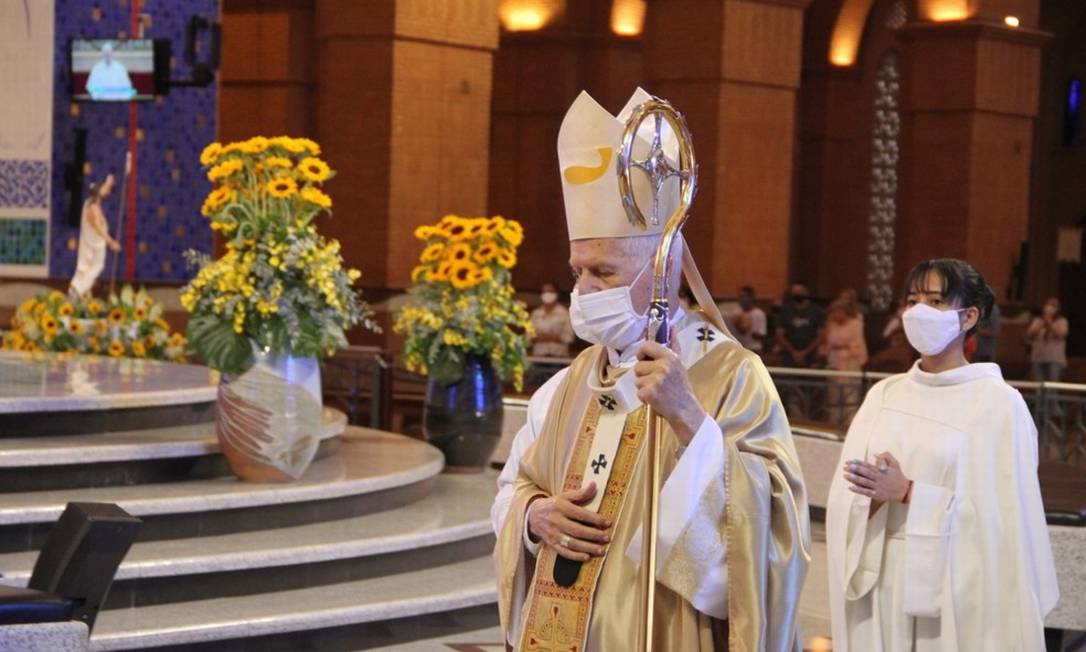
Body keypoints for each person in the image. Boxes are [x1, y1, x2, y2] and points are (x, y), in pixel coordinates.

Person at [492, 88, 809, 651]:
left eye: (604, 274)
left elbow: (777, 526)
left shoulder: (731, 374)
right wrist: (535, 517)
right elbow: (516, 483)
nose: (584, 290)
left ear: (662, 274)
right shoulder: (568, 384)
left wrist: (690, 420)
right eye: (578, 271)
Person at [826, 258, 1058, 651]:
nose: (918, 312)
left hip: (953, 595)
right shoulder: (884, 396)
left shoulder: (998, 405)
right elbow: (844, 498)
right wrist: (869, 495)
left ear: (968, 316)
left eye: (935, 301)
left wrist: (910, 492)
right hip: (880, 578)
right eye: (912, 300)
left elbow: (1004, 525)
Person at [70, 175, 122, 298]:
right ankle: (78, 289)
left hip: (97, 245)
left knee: (93, 268)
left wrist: (108, 182)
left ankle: (82, 291)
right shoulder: (92, 208)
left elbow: (103, 190)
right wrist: (111, 242)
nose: (106, 190)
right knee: (95, 267)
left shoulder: (91, 204)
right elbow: (98, 228)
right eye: (103, 188)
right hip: (94, 245)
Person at [821, 298, 868, 425]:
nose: (835, 315)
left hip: (850, 362)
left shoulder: (856, 324)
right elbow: (828, 341)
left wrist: (844, 351)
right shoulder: (831, 324)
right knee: (833, 398)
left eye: (838, 312)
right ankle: (834, 423)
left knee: (849, 397)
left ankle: (849, 425)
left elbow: (857, 344)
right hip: (833, 362)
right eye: (834, 312)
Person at [775, 282, 824, 367]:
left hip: (810, 356)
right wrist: (794, 352)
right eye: (795, 291)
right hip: (789, 355)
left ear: (806, 292)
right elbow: (780, 334)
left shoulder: (817, 311)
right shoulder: (785, 310)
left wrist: (804, 353)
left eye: (800, 291)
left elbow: (821, 335)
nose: (797, 293)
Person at [1026, 298, 1069, 382]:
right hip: (1038, 358)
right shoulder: (1038, 320)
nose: (1049, 308)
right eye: (1048, 305)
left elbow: (1060, 334)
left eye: (1053, 306)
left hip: (1054, 359)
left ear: (1057, 308)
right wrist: (1043, 322)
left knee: (1051, 388)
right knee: (1039, 388)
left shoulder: (1062, 321)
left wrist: (1049, 323)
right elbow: (1030, 334)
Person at [529, 282, 575, 358]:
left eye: (550, 291)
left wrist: (551, 337)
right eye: (544, 292)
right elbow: (528, 336)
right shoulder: (536, 313)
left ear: (557, 293)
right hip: (538, 358)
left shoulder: (564, 313)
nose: (547, 294)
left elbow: (569, 337)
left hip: (559, 358)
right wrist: (538, 337)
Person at [729, 285, 767, 354]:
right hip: (739, 348)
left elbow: (762, 336)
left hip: (754, 349)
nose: (741, 299)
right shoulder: (736, 312)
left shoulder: (759, 314)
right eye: (740, 297)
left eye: (743, 297)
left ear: (751, 298)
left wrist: (747, 329)